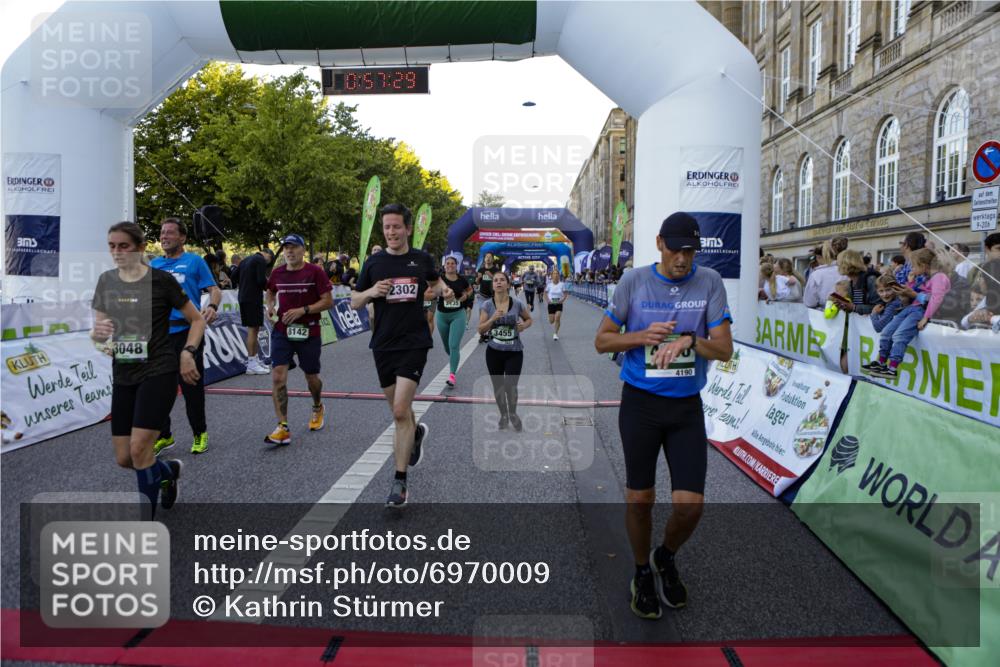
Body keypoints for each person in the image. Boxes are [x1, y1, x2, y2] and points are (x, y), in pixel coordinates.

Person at [594, 211, 733, 620]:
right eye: (676, 250)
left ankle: (665, 556)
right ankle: (641, 572)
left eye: (691, 251)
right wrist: (642, 336)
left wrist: (690, 339)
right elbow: (602, 341)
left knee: (690, 506)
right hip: (641, 404)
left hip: (686, 407)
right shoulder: (634, 282)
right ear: (659, 244)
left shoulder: (709, 282)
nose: (683, 259)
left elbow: (724, 349)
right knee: (640, 499)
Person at [91, 222, 205, 516]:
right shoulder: (106, 281)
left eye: (124, 246)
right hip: (124, 373)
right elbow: (99, 332)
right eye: (112, 246)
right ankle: (168, 473)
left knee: (141, 450)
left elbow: (196, 319)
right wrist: (99, 335)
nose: (117, 252)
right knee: (124, 458)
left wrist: (188, 353)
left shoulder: (161, 280)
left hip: (159, 368)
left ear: (141, 248)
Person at [352, 204, 449, 508]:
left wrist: (443, 290)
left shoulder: (421, 260)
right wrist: (371, 293)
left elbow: (435, 282)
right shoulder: (374, 263)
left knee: (398, 412)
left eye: (396, 227)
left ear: (408, 229)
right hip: (383, 344)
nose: (391, 232)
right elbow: (354, 301)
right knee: (401, 411)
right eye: (387, 228)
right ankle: (416, 432)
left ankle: (399, 481)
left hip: (414, 342)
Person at [150, 218, 220, 456]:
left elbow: (215, 289)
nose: (164, 237)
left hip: (187, 331)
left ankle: (199, 432)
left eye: (170, 233)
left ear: (182, 238)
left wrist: (213, 306)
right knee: (156, 389)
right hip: (158, 335)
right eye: (162, 233)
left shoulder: (194, 261)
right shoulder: (154, 264)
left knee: (191, 388)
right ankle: (164, 435)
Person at [264, 234, 334, 445]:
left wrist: (303, 310)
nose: (289, 252)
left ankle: (317, 405)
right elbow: (270, 291)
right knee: (277, 377)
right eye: (286, 248)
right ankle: (282, 426)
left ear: (303, 250)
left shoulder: (315, 272)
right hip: (282, 330)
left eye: (293, 248)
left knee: (311, 377)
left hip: (308, 330)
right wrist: (269, 306)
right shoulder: (277, 273)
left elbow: (328, 301)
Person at [862, 248, 950, 379]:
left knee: (899, 335)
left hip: (919, 311)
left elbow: (935, 299)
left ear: (923, 265)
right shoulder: (926, 277)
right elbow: (916, 293)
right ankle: (881, 362)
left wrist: (926, 317)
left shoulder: (939, 277)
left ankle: (892, 368)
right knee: (886, 332)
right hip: (911, 308)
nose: (912, 268)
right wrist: (910, 283)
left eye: (914, 265)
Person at [478, 271, 532, 430]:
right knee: (498, 386)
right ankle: (503, 414)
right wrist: (492, 319)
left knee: (510, 385)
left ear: (508, 284)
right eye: (495, 280)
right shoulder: (487, 305)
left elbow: (529, 319)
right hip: (494, 352)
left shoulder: (517, 304)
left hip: (514, 351)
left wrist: (524, 325)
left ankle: (513, 413)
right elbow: (480, 329)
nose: (499, 282)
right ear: (493, 285)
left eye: (502, 280)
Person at [435, 256, 473, 387]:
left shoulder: (462, 279)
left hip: (458, 315)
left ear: (456, 266)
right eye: (448, 263)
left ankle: (452, 375)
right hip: (441, 316)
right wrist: (439, 294)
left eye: (452, 263)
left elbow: (470, 289)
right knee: (448, 347)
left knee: (453, 345)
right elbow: (427, 294)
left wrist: (466, 296)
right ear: (444, 266)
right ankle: (454, 359)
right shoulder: (439, 279)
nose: (450, 265)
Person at [238, 247, 275, 375]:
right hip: (253, 298)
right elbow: (260, 280)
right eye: (269, 260)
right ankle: (252, 363)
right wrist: (270, 287)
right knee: (253, 330)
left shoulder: (245, 260)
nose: (268, 263)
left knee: (253, 329)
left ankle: (254, 359)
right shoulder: (260, 260)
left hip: (243, 297)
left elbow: (233, 276)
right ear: (267, 255)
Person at [802, 241, 843, 308]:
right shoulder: (843, 271)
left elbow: (809, 302)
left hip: (824, 313)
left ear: (818, 257)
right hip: (845, 311)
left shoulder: (816, 275)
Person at [476, 253, 501, 343]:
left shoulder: (496, 270)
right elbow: (477, 283)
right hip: (482, 295)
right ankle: (482, 335)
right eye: (486, 257)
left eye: (490, 258)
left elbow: (498, 281)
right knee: (482, 315)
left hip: (493, 296)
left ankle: (490, 332)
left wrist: (491, 275)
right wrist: (478, 279)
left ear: (492, 260)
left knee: (491, 315)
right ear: (484, 259)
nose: (488, 259)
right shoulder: (481, 269)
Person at [544, 268, 566, 340]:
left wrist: (562, 300)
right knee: (551, 321)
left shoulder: (562, 284)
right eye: (554, 274)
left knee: (557, 318)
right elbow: (545, 293)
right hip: (551, 304)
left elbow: (565, 294)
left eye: (557, 274)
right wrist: (548, 300)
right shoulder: (549, 285)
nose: (556, 275)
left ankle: (555, 334)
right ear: (552, 276)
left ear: (559, 276)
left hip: (559, 304)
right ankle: (556, 322)